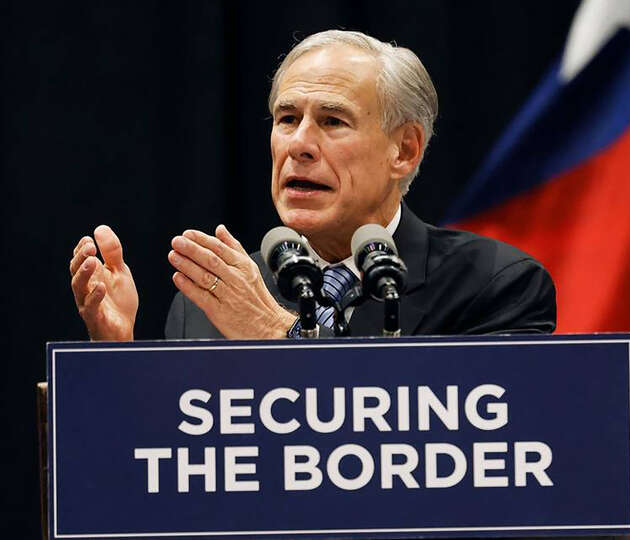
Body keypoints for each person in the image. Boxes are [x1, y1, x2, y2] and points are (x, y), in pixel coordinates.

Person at [68, 30, 556, 340]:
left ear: (404, 150)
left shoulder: (495, 286)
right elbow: (169, 471)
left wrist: (277, 335)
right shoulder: (215, 296)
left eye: (332, 121)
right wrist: (116, 359)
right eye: (286, 118)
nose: (299, 144)